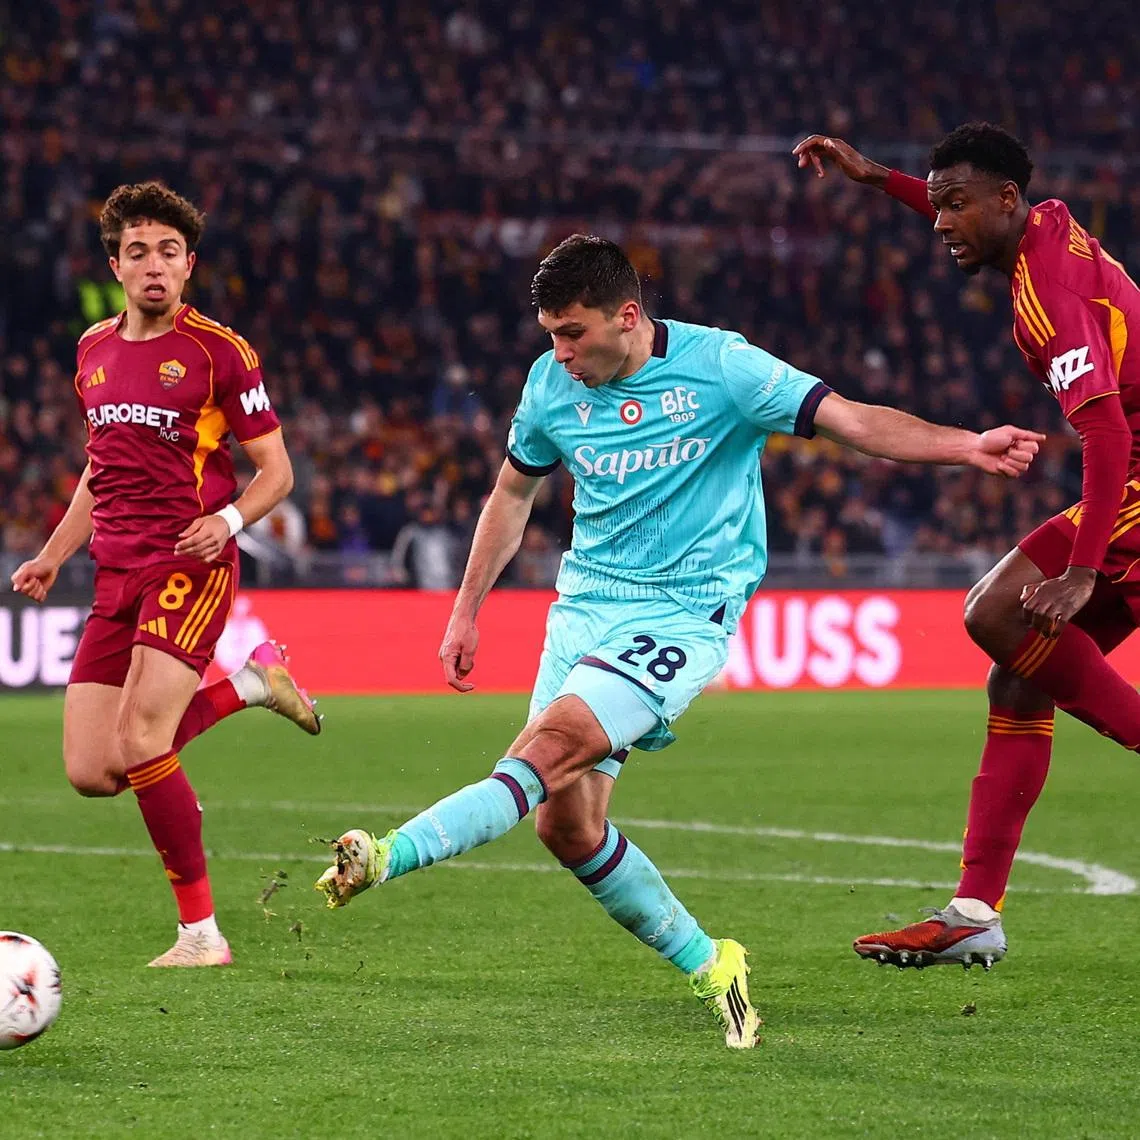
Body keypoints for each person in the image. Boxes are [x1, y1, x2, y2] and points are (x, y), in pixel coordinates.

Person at [314, 234, 1042, 1046]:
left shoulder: (723, 369)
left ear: (628, 316)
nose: (559, 353)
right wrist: (465, 608)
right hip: (585, 608)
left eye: (573, 333)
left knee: (546, 750)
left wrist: (966, 445)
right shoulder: (551, 385)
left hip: (682, 614)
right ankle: (712, 961)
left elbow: (852, 422)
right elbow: (513, 492)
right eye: (549, 334)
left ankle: (384, 854)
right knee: (568, 827)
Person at [794, 123, 1140, 969]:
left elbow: (1106, 433)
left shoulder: (1046, 297)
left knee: (994, 612)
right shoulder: (1046, 223)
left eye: (954, 205)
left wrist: (1084, 571)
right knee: (1018, 671)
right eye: (936, 203)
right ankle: (975, 911)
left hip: (1133, 470)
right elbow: (964, 198)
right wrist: (880, 179)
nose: (939, 221)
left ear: (1005, 201)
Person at [11, 181, 321, 968]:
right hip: (112, 572)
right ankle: (251, 686)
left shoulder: (221, 352)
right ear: (116, 264)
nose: (155, 265)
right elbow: (98, 468)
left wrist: (228, 521)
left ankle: (201, 935)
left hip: (191, 562)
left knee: (142, 738)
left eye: (170, 252)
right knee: (93, 771)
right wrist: (53, 553)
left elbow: (276, 472)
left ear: (190, 267)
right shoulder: (93, 352)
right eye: (139, 251)